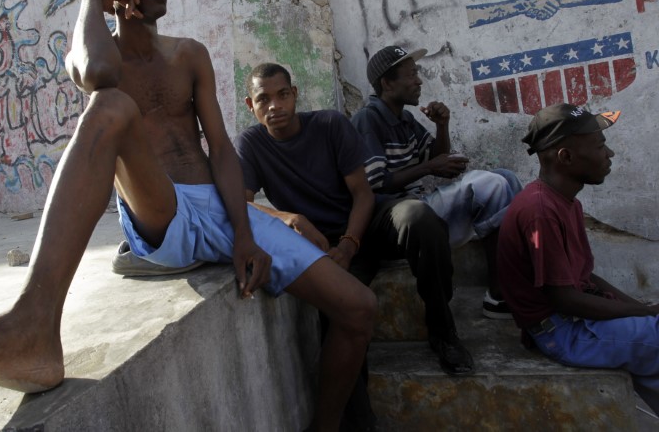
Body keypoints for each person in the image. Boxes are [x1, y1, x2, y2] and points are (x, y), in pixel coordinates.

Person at [0, 0, 376, 431]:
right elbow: (98, 74)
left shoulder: (189, 54)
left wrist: (247, 231)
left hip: (218, 210)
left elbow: (221, 150)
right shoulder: (91, 51)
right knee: (109, 106)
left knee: (359, 308)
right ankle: (30, 327)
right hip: (161, 213)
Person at [235, 63, 473, 387]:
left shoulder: (329, 124)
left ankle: (443, 331)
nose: (275, 106)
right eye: (263, 99)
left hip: (367, 221)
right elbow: (242, 204)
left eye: (283, 95)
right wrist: (291, 218)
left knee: (420, 218)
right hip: (322, 243)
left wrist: (349, 244)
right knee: (337, 315)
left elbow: (363, 193)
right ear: (251, 105)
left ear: (295, 95)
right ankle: (357, 417)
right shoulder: (251, 143)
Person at [497, 103, 659, 414]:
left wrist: (642, 311)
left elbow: (585, 277)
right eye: (600, 146)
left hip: (572, 321)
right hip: (562, 332)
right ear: (566, 157)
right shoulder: (540, 210)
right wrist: (641, 312)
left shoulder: (564, 200)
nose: (609, 154)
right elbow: (565, 299)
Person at [351, 45, 522, 319]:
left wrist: (442, 125)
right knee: (490, 186)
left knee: (505, 177)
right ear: (386, 83)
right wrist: (429, 166)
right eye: (410, 75)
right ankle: (499, 294)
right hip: (399, 224)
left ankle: (516, 283)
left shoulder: (405, 118)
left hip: (422, 210)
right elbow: (377, 184)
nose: (418, 81)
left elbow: (439, 161)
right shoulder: (368, 120)